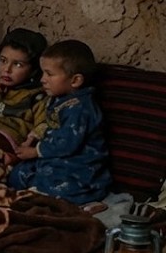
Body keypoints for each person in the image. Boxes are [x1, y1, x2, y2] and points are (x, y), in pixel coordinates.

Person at [8, 40, 111, 205]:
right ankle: (32, 191)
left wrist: (35, 152)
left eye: (49, 74)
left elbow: (66, 143)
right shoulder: (59, 99)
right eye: (42, 73)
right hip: (54, 157)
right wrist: (36, 133)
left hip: (78, 166)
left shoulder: (80, 109)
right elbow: (53, 124)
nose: (42, 79)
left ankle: (85, 206)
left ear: (75, 80)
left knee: (56, 184)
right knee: (18, 173)